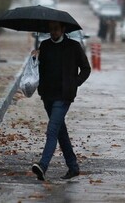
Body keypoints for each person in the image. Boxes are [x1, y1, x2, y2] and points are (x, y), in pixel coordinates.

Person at [30, 21, 91, 181]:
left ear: (63, 29)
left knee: (52, 130)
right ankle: (73, 166)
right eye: (51, 30)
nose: (53, 32)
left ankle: (43, 166)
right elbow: (37, 70)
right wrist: (34, 58)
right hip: (47, 96)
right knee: (60, 132)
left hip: (64, 96)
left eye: (56, 29)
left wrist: (75, 83)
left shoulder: (73, 46)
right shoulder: (44, 45)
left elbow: (86, 68)